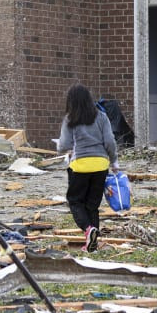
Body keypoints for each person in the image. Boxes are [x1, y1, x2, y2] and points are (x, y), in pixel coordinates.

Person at [57, 83, 118, 253]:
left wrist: (64, 148)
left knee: (75, 201)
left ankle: (87, 229)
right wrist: (114, 162)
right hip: (100, 166)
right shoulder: (101, 117)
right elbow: (110, 142)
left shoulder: (70, 119)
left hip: (80, 166)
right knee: (92, 205)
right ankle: (93, 244)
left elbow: (64, 145)